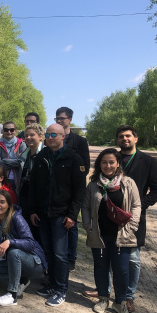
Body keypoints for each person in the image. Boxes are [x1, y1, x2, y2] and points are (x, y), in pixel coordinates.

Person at [83, 125, 157, 313]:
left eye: (128, 136)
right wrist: (89, 225)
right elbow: (88, 204)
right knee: (104, 260)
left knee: (132, 260)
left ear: (136, 138)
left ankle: (128, 296)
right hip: (105, 224)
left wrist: (136, 209)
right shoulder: (112, 158)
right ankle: (104, 292)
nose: (125, 139)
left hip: (131, 221)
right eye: (121, 136)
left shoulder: (148, 161)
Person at [29, 123, 86, 307]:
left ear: (63, 136)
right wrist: (33, 210)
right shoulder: (41, 157)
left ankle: (61, 290)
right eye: (48, 135)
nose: (50, 138)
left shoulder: (73, 158)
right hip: (43, 213)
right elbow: (33, 186)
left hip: (61, 214)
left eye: (54, 134)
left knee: (60, 254)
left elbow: (79, 190)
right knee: (47, 251)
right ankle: (52, 284)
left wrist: (72, 215)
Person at [82, 148, 141, 313]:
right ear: (99, 164)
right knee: (101, 267)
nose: (108, 166)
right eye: (104, 162)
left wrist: (132, 226)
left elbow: (136, 206)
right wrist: (88, 226)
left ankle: (120, 302)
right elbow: (85, 207)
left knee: (121, 270)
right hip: (99, 235)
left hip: (122, 235)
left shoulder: (128, 183)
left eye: (111, 162)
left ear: (117, 164)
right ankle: (103, 298)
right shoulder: (93, 185)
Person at [0, 190, 48, 307]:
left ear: (9, 205)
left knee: (14, 252)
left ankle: (12, 295)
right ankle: (23, 280)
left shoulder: (16, 218)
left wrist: (10, 242)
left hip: (34, 262)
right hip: (12, 261)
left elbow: (30, 243)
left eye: (2, 202)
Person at [55, 106, 90, 271]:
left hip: (72, 189)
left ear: (69, 119)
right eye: (57, 118)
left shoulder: (79, 141)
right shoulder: (53, 138)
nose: (59, 121)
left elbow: (85, 166)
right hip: (56, 189)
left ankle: (71, 257)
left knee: (72, 223)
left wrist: (74, 180)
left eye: (62, 118)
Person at [18, 123, 44, 242]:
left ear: (41, 136)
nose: (28, 138)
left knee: (39, 233)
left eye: (32, 135)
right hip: (25, 196)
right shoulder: (24, 154)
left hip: (39, 199)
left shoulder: (45, 154)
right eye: (26, 135)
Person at [0, 121, 26, 197]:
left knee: (17, 200)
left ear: (15, 131)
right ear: (2, 131)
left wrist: (5, 160)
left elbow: (23, 162)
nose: (9, 132)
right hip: (3, 178)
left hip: (18, 178)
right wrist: (16, 161)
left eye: (11, 130)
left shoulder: (21, 144)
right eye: (6, 130)